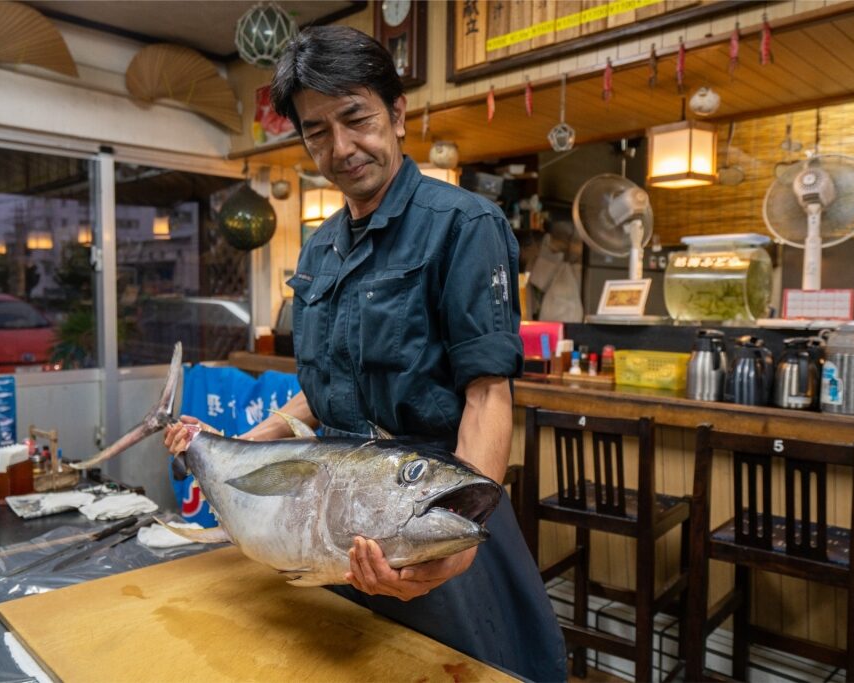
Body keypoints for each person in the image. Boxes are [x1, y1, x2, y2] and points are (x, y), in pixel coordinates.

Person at [166, 25, 568, 683]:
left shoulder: (465, 225)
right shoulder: (320, 247)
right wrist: (237, 441)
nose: (340, 147)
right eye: (317, 131)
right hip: (333, 535)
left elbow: (488, 393)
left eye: (355, 118)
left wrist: (454, 552)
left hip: (427, 524)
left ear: (398, 113)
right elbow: (326, 393)